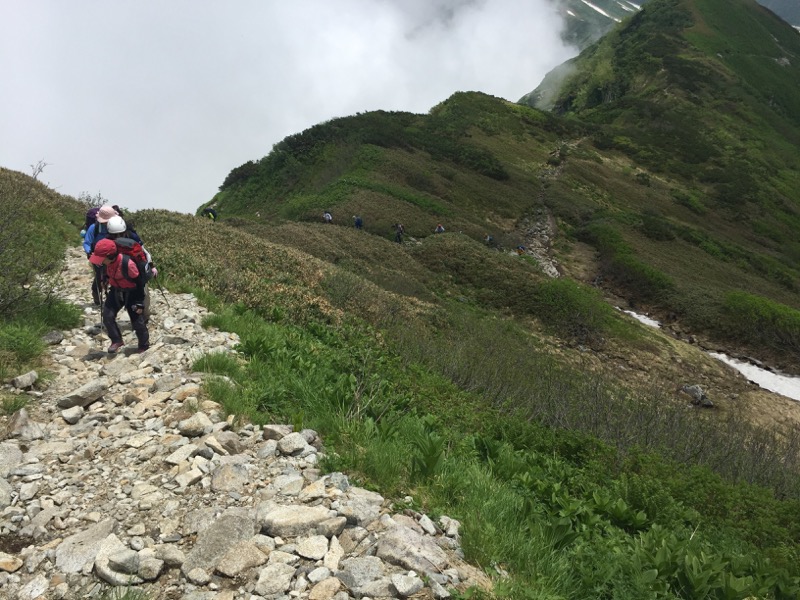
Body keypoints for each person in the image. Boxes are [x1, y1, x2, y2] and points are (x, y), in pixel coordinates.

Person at [90, 238, 153, 354]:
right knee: (107, 316)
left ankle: (144, 345)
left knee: (137, 321)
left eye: (101, 258)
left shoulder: (128, 264)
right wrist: (105, 280)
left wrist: (140, 302)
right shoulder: (106, 263)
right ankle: (116, 340)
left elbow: (139, 283)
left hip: (133, 292)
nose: (99, 261)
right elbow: (106, 273)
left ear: (110, 256)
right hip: (116, 290)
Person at [106, 215, 153, 322]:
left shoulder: (108, 240)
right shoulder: (132, 236)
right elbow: (144, 252)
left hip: (119, 275)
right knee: (142, 294)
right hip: (136, 274)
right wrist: (151, 266)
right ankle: (143, 317)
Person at [83, 205, 118, 305]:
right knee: (99, 275)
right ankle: (97, 294)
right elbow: (86, 242)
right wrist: (89, 251)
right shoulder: (94, 227)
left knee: (113, 274)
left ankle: (112, 297)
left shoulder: (115, 227)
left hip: (111, 255)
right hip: (96, 255)